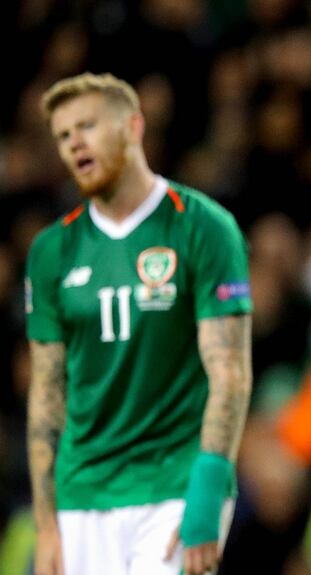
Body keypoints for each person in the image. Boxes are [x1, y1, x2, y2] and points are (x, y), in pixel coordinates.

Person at [26, 72, 252, 575]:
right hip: (83, 493)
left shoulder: (203, 226)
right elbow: (46, 392)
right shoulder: (50, 252)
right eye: (63, 135)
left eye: (87, 125)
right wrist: (46, 527)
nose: (73, 143)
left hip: (173, 484)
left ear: (132, 127)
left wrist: (208, 488)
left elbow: (230, 369)